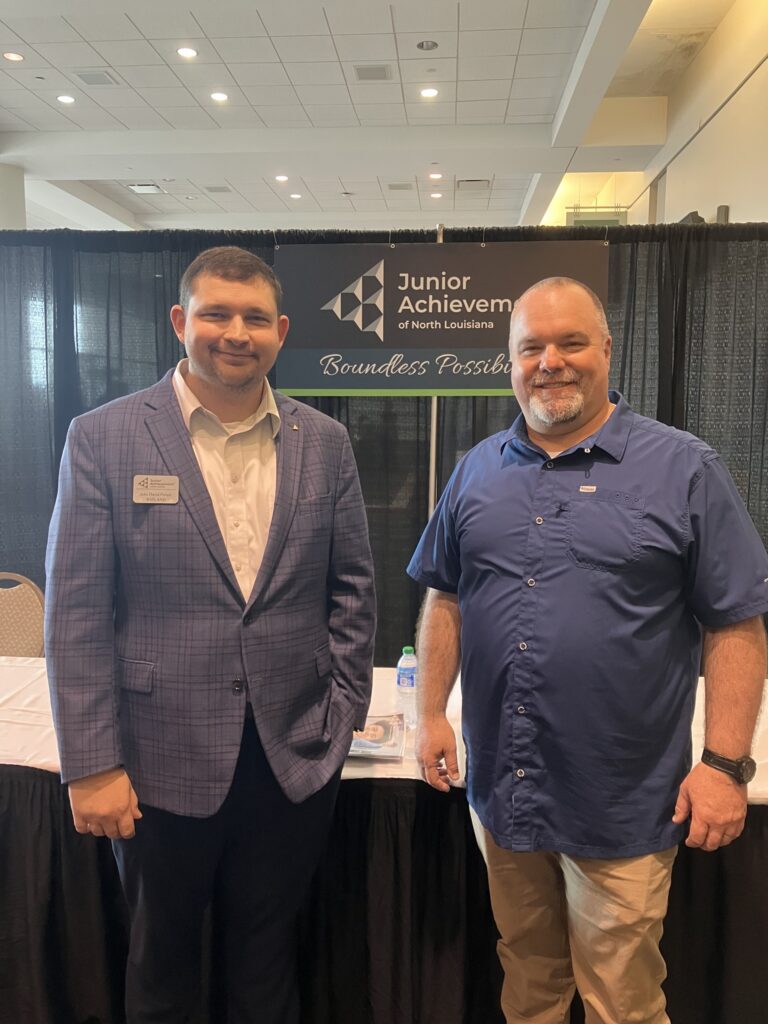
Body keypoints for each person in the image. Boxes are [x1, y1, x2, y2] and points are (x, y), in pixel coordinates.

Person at [407, 277, 768, 1024]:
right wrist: (431, 714)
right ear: (509, 363)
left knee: (621, 1002)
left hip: (622, 802)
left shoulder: (685, 469)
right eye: (530, 347)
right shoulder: (476, 471)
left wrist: (726, 766)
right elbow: (444, 598)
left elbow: (736, 623)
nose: (551, 362)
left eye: (570, 342)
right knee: (529, 982)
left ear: (606, 349)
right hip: (505, 794)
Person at [45, 246, 376, 1024]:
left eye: (255, 317)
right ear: (178, 321)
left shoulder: (324, 442)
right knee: (162, 965)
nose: (236, 332)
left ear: (281, 330)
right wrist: (91, 763)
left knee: (266, 961)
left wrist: (342, 714)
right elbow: (77, 611)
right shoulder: (104, 438)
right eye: (216, 313)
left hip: (293, 756)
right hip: (157, 759)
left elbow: (354, 588)